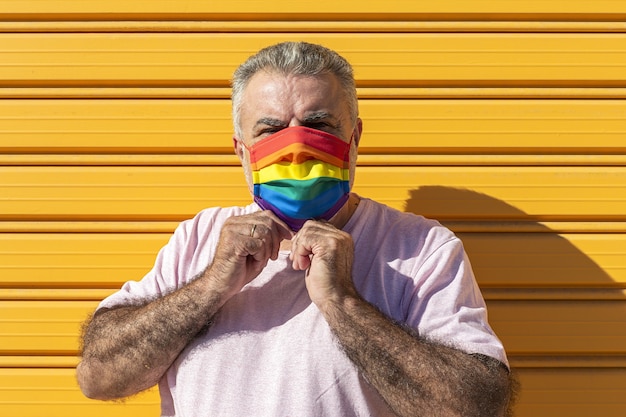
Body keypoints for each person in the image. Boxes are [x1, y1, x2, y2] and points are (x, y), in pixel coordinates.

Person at [77, 41, 514, 417]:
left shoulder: (421, 248)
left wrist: (342, 302)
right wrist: (211, 285)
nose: (297, 145)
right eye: (270, 129)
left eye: (319, 124)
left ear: (355, 137)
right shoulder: (199, 237)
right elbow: (98, 376)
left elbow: (472, 407)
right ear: (242, 152)